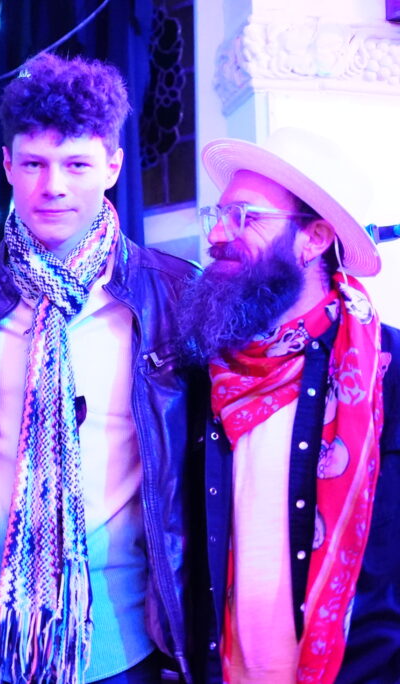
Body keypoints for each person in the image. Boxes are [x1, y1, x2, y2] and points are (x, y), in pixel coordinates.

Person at [0, 53, 199, 684]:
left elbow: (192, 477)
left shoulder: (173, 295)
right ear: (8, 166)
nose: (52, 185)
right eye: (33, 163)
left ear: (113, 166)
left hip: (123, 638)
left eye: (76, 165)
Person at [179, 127, 400, 684]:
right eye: (219, 216)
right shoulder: (205, 371)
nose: (219, 235)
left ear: (314, 238)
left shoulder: (390, 371)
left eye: (245, 217)